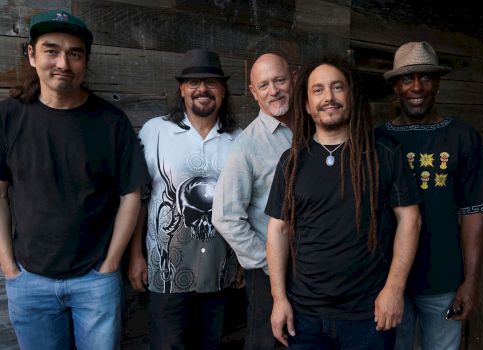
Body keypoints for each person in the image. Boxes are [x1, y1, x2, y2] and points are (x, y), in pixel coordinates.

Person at [0, 9, 149, 350]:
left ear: (85, 61)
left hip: (94, 281)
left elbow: (131, 194)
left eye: (75, 53)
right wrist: (8, 266)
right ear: (31, 54)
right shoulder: (8, 117)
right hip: (29, 280)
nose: (63, 63)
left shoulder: (110, 121)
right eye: (52, 50)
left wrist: (110, 264)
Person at [265, 55, 422, 349]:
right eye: (318, 90)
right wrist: (279, 299)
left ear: (351, 96)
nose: (329, 97)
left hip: (369, 316)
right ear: (307, 106)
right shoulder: (292, 161)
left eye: (337, 87)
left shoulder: (385, 154)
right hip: (304, 316)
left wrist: (394, 289)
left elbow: (410, 219)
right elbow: (278, 230)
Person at [381, 41, 483, 350]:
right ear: (396, 86)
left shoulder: (463, 138)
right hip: (389, 283)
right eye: (408, 78)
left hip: (444, 280)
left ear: (438, 84)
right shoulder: (379, 140)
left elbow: (474, 212)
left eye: (426, 77)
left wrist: (470, 281)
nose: (417, 86)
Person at [127, 48, 241, 350]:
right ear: (182, 89)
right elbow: (140, 197)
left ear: (223, 89)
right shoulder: (155, 132)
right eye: (193, 82)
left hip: (221, 272)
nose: (202, 89)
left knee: (211, 344)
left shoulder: (239, 141)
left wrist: (244, 260)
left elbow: (247, 206)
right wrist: (135, 255)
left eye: (211, 82)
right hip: (165, 272)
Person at [213, 53, 294, 350]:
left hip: (313, 270)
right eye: (264, 85)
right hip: (269, 275)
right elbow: (225, 216)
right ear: (254, 93)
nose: (273, 90)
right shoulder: (247, 145)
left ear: (294, 79)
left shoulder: (312, 131)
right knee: (267, 342)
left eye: (280, 80)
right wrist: (267, 262)